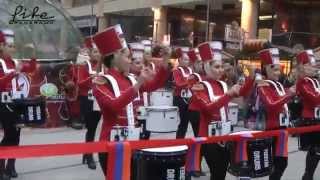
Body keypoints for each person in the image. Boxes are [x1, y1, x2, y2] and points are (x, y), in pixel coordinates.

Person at [91, 24, 171, 176]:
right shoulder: (101, 81)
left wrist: (165, 60)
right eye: (128, 57)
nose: (130, 61)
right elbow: (114, 106)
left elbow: (155, 85)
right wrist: (139, 84)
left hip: (133, 143)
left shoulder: (131, 79)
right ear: (115, 57)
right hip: (111, 145)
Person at [190, 41, 254, 180]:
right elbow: (208, 109)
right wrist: (228, 95)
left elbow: (241, 92)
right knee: (217, 172)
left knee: (221, 173)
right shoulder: (199, 86)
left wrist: (251, 77)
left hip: (225, 135)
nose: (220, 70)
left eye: (221, 67)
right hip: (208, 137)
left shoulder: (223, 84)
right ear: (207, 67)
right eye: (216, 67)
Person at [0, 29, 37, 180]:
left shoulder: (16, 62)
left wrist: (33, 53)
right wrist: (13, 73)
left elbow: (32, 69)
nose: (12, 48)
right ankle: (1, 168)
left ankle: (11, 166)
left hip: (18, 104)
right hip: (4, 104)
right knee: (9, 135)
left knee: (17, 136)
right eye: (9, 46)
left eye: (13, 46)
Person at [257, 48, 296, 180]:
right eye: (274, 69)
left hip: (282, 129)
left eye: (279, 69)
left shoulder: (278, 85)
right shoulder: (263, 85)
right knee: (277, 164)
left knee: (281, 163)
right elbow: (271, 105)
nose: (278, 72)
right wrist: (288, 94)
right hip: (272, 129)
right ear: (266, 69)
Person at [75, 37, 103, 170]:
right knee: (91, 128)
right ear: (90, 53)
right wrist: (91, 79)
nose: (97, 54)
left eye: (99, 52)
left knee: (94, 128)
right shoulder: (85, 65)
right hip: (87, 100)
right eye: (95, 52)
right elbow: (79, 83)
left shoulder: (103, 67)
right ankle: (89, 155)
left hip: (99, 101)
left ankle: (87, 153)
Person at [295, 50, 320, 180]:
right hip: (310, 120)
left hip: (317, 119)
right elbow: (315, 99)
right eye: (310, 64)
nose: (314, 66)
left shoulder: (314, 81)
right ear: (302, 67)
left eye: (314, 64)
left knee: (317, 151)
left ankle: (308, 175)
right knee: (314, 150)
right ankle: (307, 176)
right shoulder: (302, 82)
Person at [173, 47, 196, 139]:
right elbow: (178, 84)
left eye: (188, 59)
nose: (187, 61)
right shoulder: (176, 71)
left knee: (194, 122)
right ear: (180, 60)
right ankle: (179, 142)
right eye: (185, 59)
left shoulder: (190, 70)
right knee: (183, 123)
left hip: (190, 99)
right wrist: (190, 81)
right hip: (180, 99)